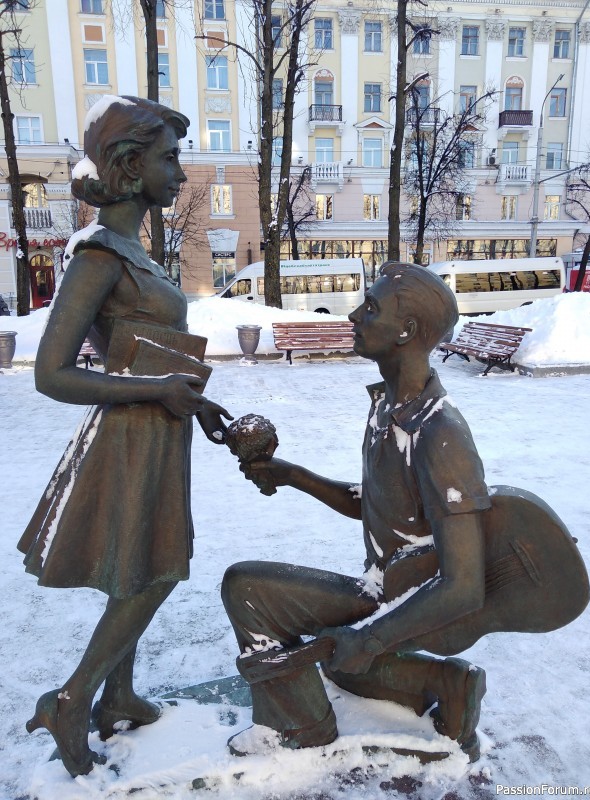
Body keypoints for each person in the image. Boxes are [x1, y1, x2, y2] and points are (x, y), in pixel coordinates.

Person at [18, 95, 232, 778]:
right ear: (131, 166)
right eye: (170, 157)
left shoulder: (132, 251)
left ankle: (117, 696)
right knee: (156, 570)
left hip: (158, 431)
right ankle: (73, 699)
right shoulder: (98, 255)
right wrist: (158, 391)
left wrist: (194, 402)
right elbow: (51, 374)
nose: (180, 172)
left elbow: (149, 352)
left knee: (141, 566)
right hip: (130, 438)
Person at [222, 263, 489, 761]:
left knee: (247, 590)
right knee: (336, 661)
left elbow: (465, 586)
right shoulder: (389, 407)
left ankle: (301, 727)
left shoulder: (440, 433)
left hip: (407, 600)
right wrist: (291, 474)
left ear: (406, 330)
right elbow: (377, 504)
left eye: (370, 308)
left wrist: (369, 638)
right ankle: (446, 683)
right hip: (383, 586)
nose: (353, 316)